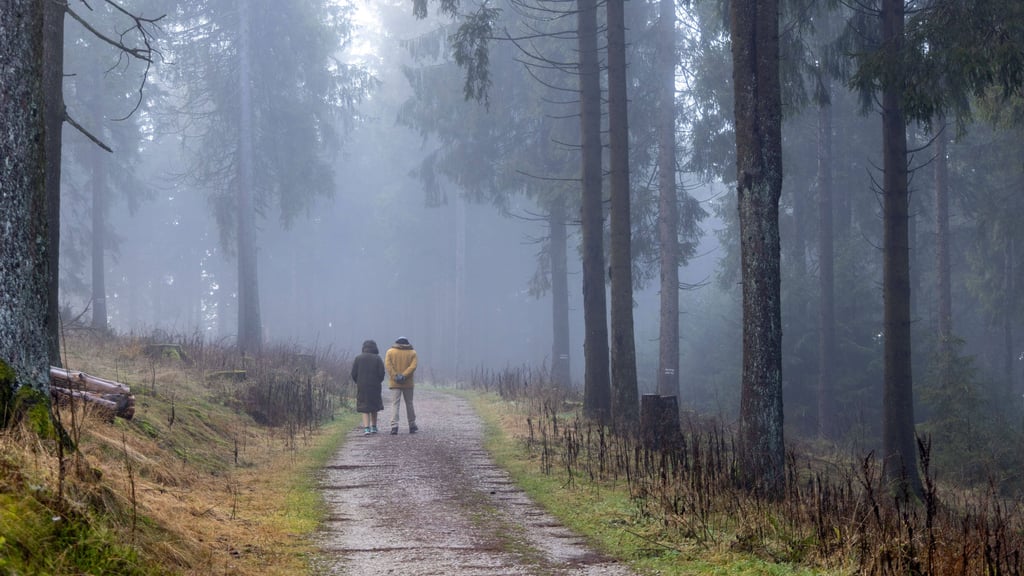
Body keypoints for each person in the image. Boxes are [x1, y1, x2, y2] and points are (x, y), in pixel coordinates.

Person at [384, 336, 418, 434]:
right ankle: (412, 425)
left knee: (395, 404)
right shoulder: (412, 353)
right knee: (409, 404)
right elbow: (413, 366)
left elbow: (388, 365)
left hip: (395, 383)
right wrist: (404, 375)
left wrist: (395, 376)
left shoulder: (390, 352)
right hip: (408, 382)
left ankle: (394, 427)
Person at [351, 339, 386, 435]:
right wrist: (378, 381)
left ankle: (366, 428)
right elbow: (382, 373)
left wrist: (358, 382)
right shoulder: (377, 358)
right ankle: (374, 427)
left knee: (364, 406)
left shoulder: (358, 358)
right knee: (374, 406)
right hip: (375, 385)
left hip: (362, 385)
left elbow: (353, 373)